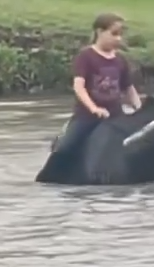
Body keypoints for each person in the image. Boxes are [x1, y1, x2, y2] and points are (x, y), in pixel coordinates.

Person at [49, 12, 142, 162]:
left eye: (120, 34)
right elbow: (79, 87)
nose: (118, 39)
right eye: (114, 34)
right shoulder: (86, 57)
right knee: (64, 149)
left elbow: (129, 88)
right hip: (86, 117)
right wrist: (94, 109)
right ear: (100, 32)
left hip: (116, 115)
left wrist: (139, 108)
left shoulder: (121, 60)